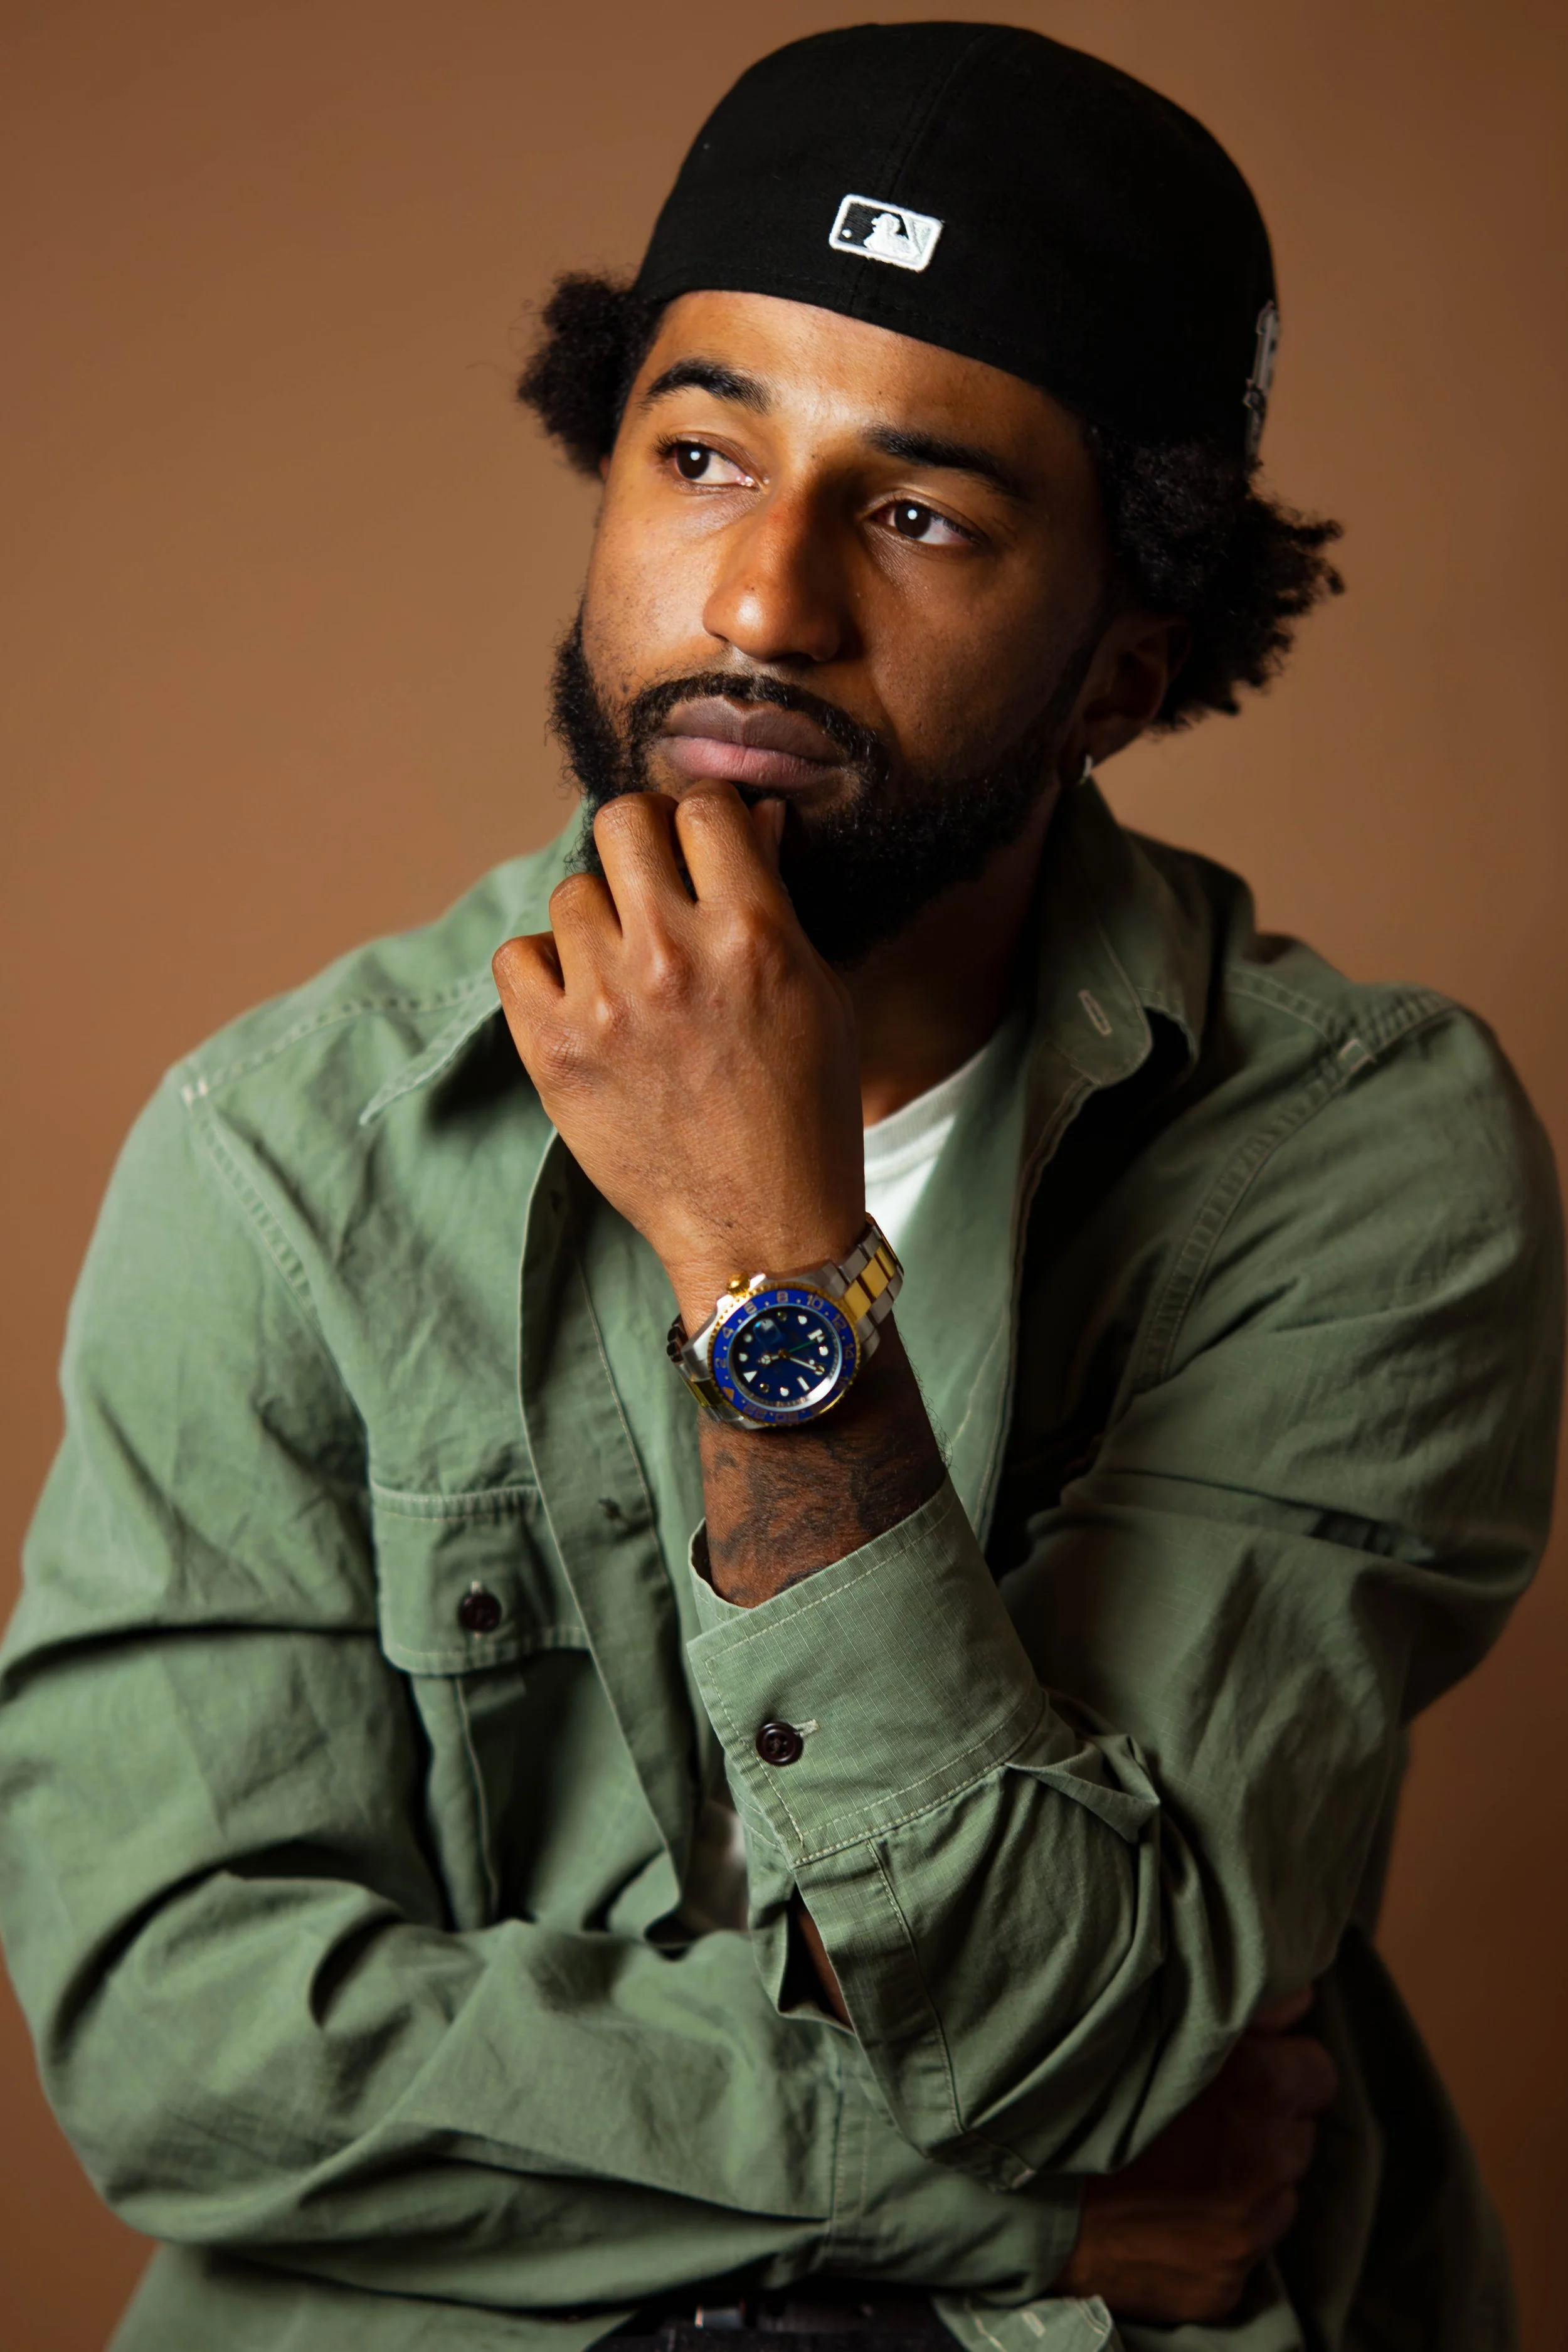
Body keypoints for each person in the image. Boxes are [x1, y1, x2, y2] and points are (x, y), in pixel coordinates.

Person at [0, 23, 1559, 2352]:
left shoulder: (1355, 1155)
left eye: (917, 514)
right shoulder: (287, 1151)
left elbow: (1085, 2025)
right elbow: (174, 2043)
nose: (758, 602)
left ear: (1122, 667)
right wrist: (984, 2201)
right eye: (703, 454)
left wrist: (759, 1254)